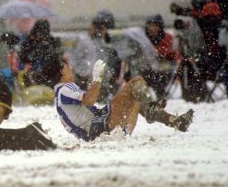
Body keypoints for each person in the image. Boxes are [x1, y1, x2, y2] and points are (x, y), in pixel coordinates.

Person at [53, 59, 194, 141]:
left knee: (137, 99)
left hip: (101, 133)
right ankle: (152, 111)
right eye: (66, 67)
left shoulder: (59, 94)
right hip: (99, 128)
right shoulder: (65, 88)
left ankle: (174, 121)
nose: (70, 68)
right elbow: (90, 99)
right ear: (61, 72)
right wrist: (97, 78)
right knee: (135, 82)